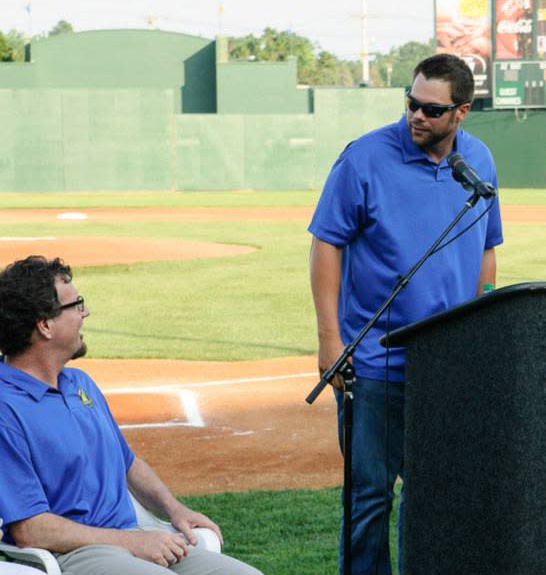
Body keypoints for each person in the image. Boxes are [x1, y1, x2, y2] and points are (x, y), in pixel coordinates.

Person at [308, 53, 503, 574]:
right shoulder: (364, 158)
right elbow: (326, 243)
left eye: (432, 110)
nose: (417, 116)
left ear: (462, 112)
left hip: (448, 365)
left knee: (436, 494)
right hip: (375, 364)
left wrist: (481, 320)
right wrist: (330, 339)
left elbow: (487, 248)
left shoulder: (479, 162)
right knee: (370, 498)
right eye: (411, 103)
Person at [0, 256, 262, 575]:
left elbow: (128, 464)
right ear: (45, 324)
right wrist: (131, 543)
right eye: (76, 305)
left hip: (133, 540)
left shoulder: (80, 384)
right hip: (73, 554)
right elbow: (31, 531)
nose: (86, 313)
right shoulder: (6, 408)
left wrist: (175, 510)